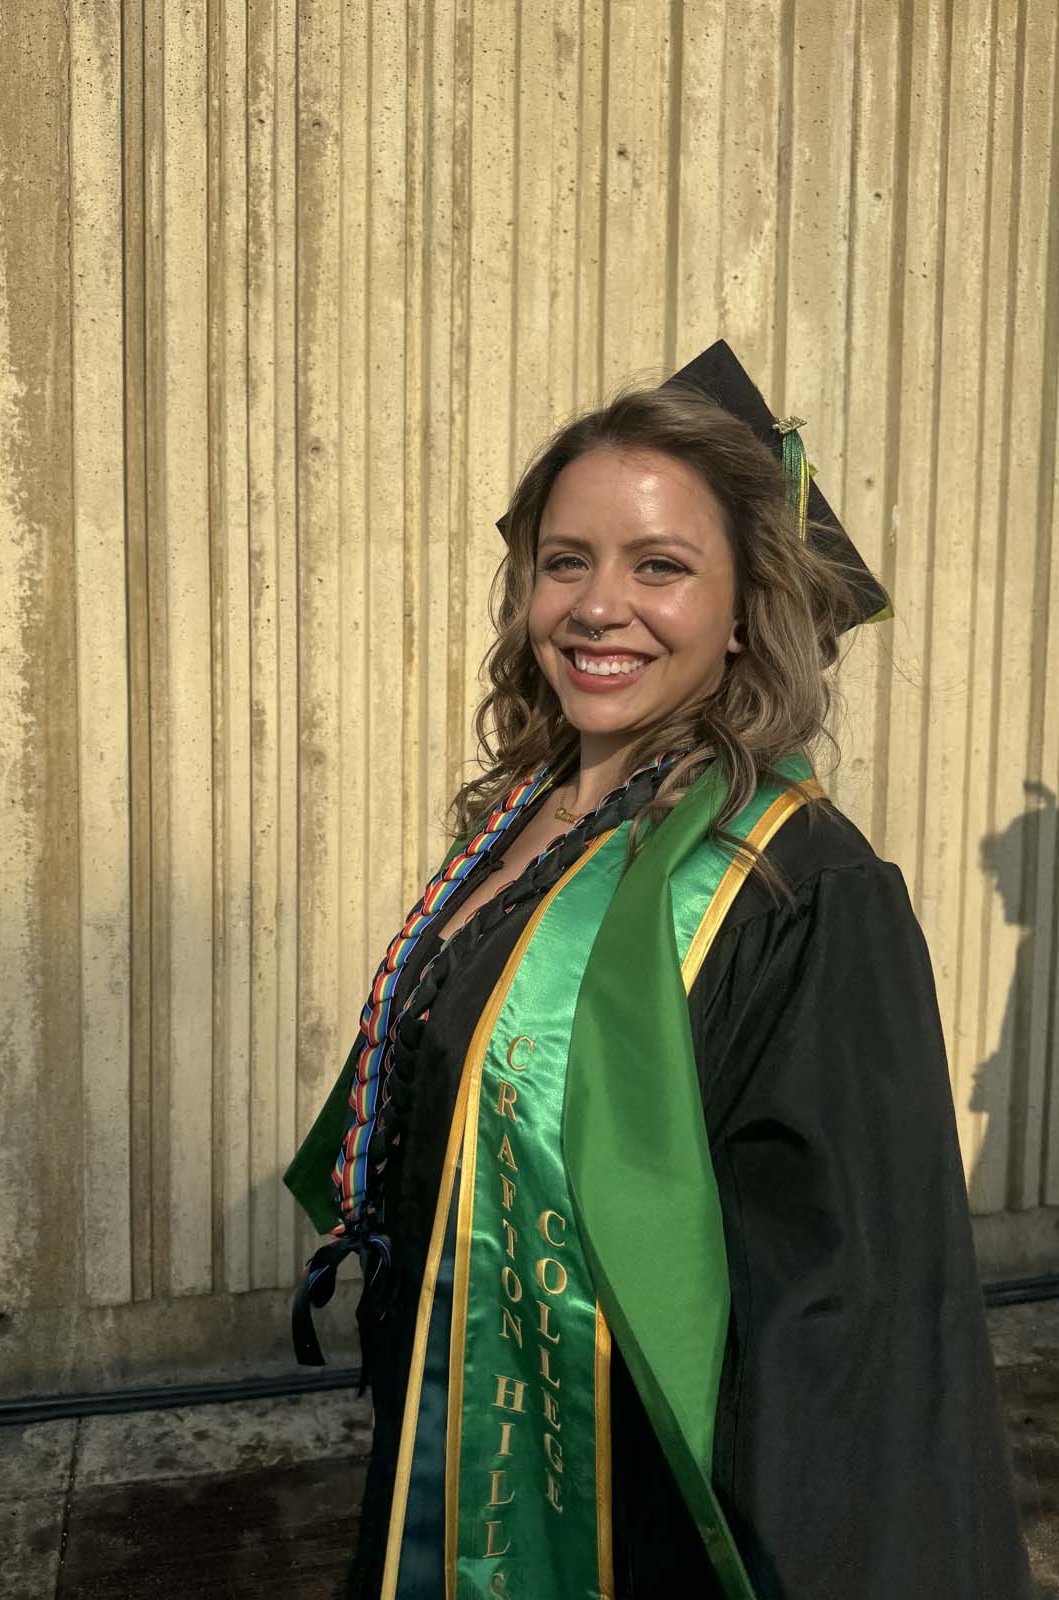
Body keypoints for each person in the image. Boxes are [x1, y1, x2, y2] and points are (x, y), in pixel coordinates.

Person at [285, 341, 1031, 1599]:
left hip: (638, 1513)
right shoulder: (534, 813)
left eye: (661, 567)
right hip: (458, 1439)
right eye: (565, 561)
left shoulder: (800, 891)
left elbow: (844, 1327)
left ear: (747, 609)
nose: (596, 605)